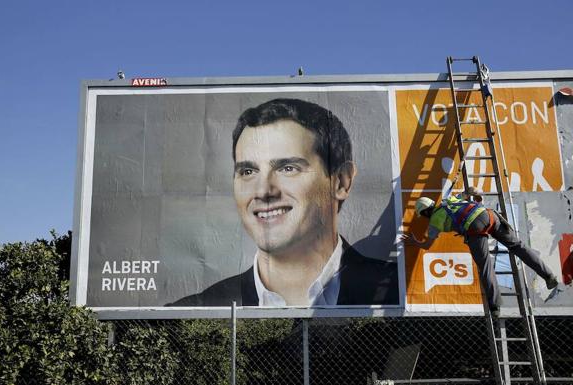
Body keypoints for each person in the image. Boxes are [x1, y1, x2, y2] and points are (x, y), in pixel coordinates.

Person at [172, 98, 399, 306]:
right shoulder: (195, 311)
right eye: (248, 171)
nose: (263, 191)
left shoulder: (398, 293)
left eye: (287, 168)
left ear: (341, 181)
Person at [401, 187, 559, 316]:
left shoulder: (434, 221)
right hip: (491, 216)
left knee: (485, 266)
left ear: (424, 213)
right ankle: (549, 276)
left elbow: (427, 245)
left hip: (474, 227)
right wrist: (475, 195)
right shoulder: (449, 200)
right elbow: (471, 191)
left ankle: (495, 307)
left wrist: (415, 242)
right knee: (519, 247)